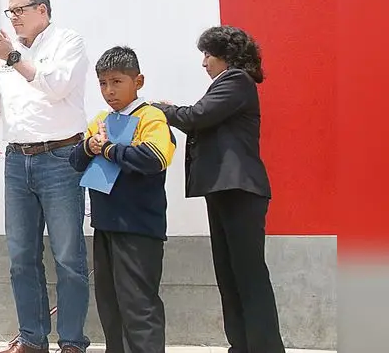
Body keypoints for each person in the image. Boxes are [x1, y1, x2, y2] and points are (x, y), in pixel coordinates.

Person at [0, 0, 91, 353]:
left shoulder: (67, 42)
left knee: (68, 256)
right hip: (16, 160)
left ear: (42, 9)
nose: (13, 18)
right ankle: (32, 339)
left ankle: (72, 341)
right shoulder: (10, 53)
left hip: (60, 158)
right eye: (10, 12)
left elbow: (56, 86)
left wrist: (10, 57)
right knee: (22, 256)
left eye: (19, 10)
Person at [152, 26, 284, 353]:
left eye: (208, 55)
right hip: (223, 190)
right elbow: (201, 117)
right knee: (229, 275)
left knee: (248, 275)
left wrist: (161, 110)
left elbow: (198, 116)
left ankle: (264, 348)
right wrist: (176, 112)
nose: (204, 62)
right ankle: (241, 345)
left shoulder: (237, 80)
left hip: (240, 189)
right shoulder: (228, 85)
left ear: (226, 55)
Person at [68, 47, 175, 353]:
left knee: (139, 305)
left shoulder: (151, 116)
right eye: (103, 83)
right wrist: (90, 145)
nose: (109, 91)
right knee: (110, 304)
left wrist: (108, 149)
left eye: (116, 82)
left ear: (138, 81)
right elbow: (76, 160)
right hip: (105, 224)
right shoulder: (101, 120)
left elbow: (154, 158)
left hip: (139, 226)